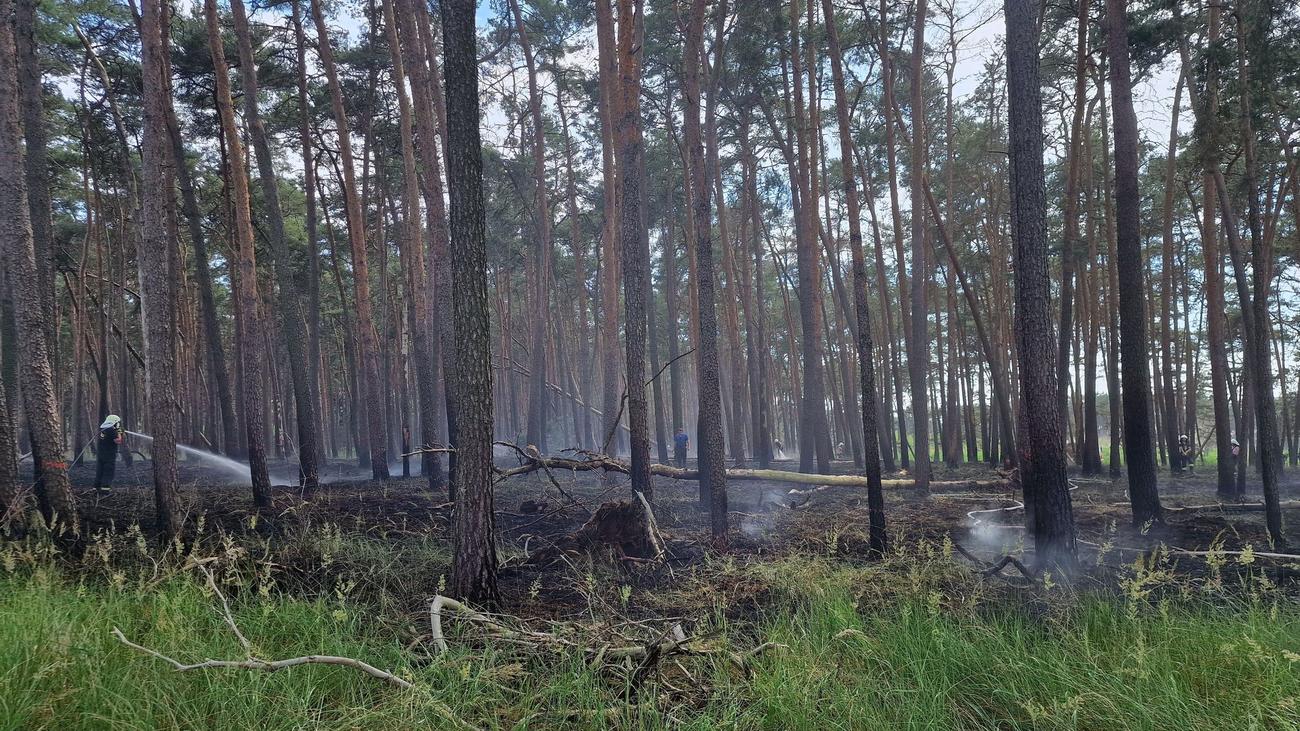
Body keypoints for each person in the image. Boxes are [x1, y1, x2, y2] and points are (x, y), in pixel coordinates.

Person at [95, 415, 123, 494]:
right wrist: (119, 431)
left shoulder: (103, 429)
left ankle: (97, 488)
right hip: (109, 455)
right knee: (108, 472)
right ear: (114, 422)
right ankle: (105, 490)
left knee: (100, 471)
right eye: (117, 422)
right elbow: (118, 440)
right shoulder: (111, 430)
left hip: (101, 455)